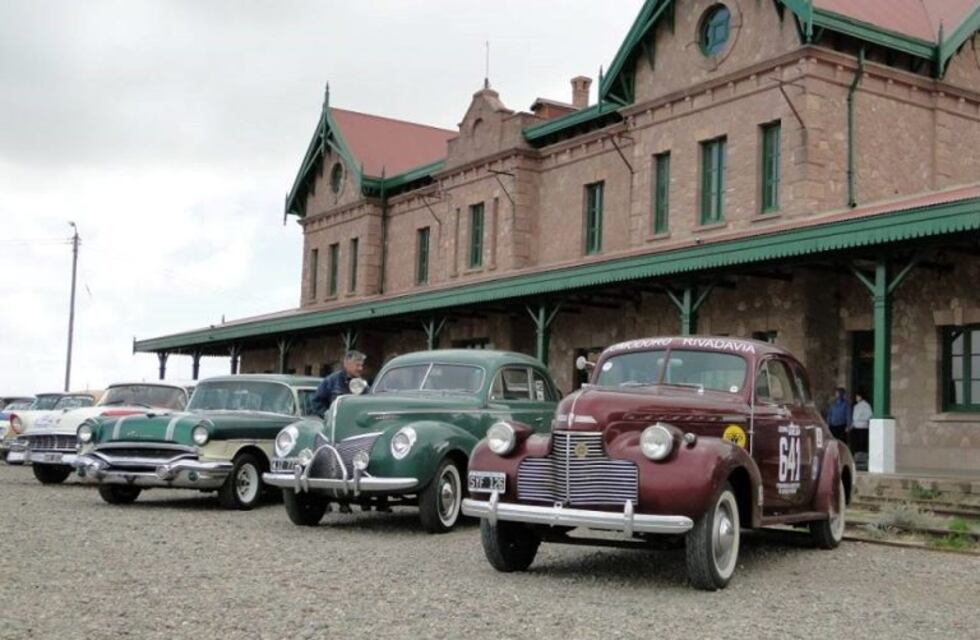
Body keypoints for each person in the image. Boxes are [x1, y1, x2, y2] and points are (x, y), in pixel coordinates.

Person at [312, 350, 366, 416]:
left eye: (361, 365)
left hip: (355, 423)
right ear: (346, 364)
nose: (360, 368)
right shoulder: (331, 381)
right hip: (336, 423)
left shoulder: (363, 383)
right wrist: (327, 414)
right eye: (357, 365)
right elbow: (316, 402)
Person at [849, 391, 873, 456]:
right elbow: (854, 418)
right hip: (856, 427)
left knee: (862, 443)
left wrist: (860, 418)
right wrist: (852, 425)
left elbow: (869, 415)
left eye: (857, 396)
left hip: (863, 427)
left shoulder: (866, 405)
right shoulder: (856, 406)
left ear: (861, 397)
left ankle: (862, 456)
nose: (856, 398)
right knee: (856, 443)